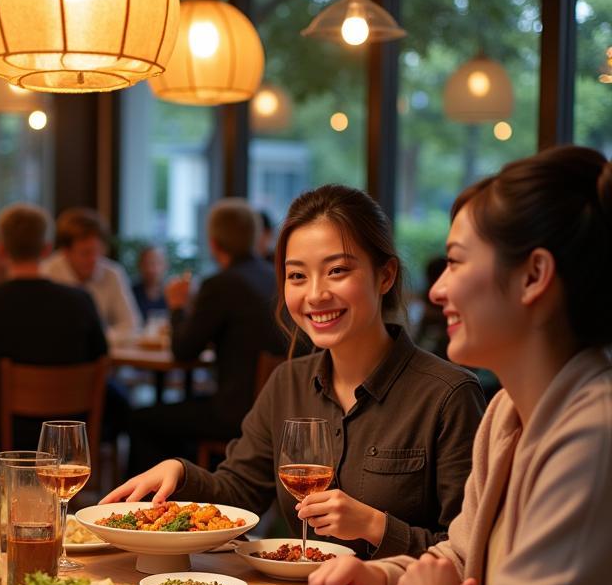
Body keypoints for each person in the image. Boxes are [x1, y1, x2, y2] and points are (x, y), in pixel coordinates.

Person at [308, 146, 612, 585]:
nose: (437, 289)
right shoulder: (509, 410)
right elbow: (459, 554)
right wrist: (384, 581)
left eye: (455, 262)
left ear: (535, 275)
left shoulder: (592, 439)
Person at [106, 184, 486, 562]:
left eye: (337, 271)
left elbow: (469, 555)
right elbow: (240, 492)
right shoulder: (288, 382)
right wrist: (181, 472)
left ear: (385, 276)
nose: (315, 295)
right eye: (297, 276)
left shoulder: (447, 395)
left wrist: (375, 526)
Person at [127, 198, 290, 475]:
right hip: (274, 406)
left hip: (234, 413)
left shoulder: (221, 284)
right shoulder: (275, 277)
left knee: (142, 419)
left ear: (214, 243)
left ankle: (141, 505)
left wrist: (177, 306)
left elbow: (184, 350)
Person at [0, 203, 107, 448]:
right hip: (68, 432)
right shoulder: (80, 300)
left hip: (0, 432)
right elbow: (101, 355)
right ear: (47, 249)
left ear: (2, 250)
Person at [41, 206, 141, 344]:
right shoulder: (46, 273)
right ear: (65, 252)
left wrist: (97, 339)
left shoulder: (112, 273)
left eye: (98, 251)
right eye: (85, 253)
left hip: (100, 360)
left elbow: (132, 325)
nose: (94, 259)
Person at [131, 245, 168, 323]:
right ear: (139, 266)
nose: (151, 269)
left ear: (165, 265)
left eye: (157, 263)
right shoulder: (129, 293)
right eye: (147, 263)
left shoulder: (172, 294)